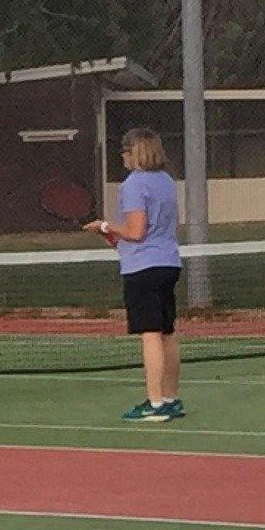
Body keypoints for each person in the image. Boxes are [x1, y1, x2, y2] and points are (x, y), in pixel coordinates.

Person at [91, 125, 185, 421]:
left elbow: (135, 231)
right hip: (168, 263)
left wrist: (105, 225)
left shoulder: (134, 184)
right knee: (167, 333)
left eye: (124, 151)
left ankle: (155, 405)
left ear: (134, 152)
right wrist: (111, 235)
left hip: (143, 269)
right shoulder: (166, 181)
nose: (122, 156)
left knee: (151, 334)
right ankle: (170, 399)